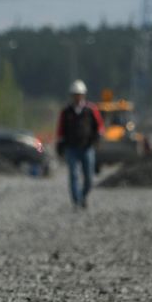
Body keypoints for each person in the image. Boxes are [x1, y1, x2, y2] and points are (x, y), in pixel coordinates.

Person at [55, 80, 104, 210]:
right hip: (72, 148)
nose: (77, 97)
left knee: (89, 178)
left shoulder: (91, 109)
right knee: (74, 176)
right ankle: (76, 201)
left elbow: (99, 126)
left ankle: (82, 196)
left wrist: (97, 138)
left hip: (87, 148)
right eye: (75, 94)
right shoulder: (66, 112)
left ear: (83, 95)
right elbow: (60, 130)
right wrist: (60, 144)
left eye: (79, 94)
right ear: (72, 95)